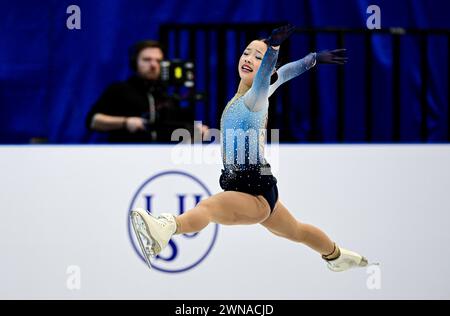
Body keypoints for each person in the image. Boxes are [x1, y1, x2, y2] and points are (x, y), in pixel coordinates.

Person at [130, 25, 369, 272]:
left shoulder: (256, 98)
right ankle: (336, 255)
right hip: (254, 186)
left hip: (255, 191)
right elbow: (284, 73)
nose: (249, 59)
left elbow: (270, 73)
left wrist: (274, 49)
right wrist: (313, 59)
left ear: (266, 68)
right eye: (247, 53)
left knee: (209, 207)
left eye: (258, 57)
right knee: (296, 230)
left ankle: (166, 227)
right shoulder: (255, 92)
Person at [86, 40, 207, 143]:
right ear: (135, 62)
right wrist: (125, 122)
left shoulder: (169, 96)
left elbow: (180, 135)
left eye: (158, 61)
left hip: (164, 160)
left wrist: (196, 134)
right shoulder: (119, 89)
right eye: (147, 60)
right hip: (126, 156)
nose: (153, 65)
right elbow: (93, 121)